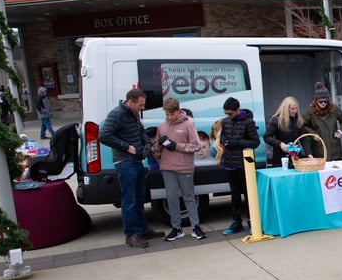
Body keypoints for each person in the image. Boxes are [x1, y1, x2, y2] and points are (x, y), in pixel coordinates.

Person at [98, 88, 162, 248]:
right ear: (130, 101)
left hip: (137, 161)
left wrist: (147, 144)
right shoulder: (117, 114)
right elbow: (104, 136)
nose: (142, 108)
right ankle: (131, 234)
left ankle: (142, 229)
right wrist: (127, 147)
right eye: (140, 104)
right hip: (126, 162)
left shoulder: (133, 113)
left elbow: (140, 131)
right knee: (130, 200)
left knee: (139, 197)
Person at [152, 97, 206, 241]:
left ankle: (196, 226)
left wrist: (176, 146)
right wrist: (159, 145)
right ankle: (176, 228)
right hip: (167, 167)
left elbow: (196, 146)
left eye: (171, 114)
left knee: (189, 197)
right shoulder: (162, 126)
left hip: (184, 167)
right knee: (172, 198)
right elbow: (156, 150)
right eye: (166, 114)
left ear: (178, 111)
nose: (169, 117)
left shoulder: (188, 124)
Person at [218, 96, 260, 235]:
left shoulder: (249, 122)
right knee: (234, 194)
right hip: (230, 162)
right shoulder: (225, 122)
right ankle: (236, 221)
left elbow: (255, 142)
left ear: (238, 110)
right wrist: (225, 141)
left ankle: (251, 221)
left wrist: (238, 143)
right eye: (226, 114)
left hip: (244, 164)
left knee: (248, 194)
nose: (228, 116)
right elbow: (222, 136)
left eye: (230, 113)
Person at [303, 83, 342, 161]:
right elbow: (303, 125)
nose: (323, 103)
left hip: (334, 148)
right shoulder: (310, 111)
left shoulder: (334, 108)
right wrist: (313, 134)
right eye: (321, 101)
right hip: (319, 149)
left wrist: (341, 131)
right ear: (316, 101)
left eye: (325, 101)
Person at [264, 96, 312, 167]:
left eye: (296, 108)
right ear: (286, 109)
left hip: (295, 157)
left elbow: (303, 138)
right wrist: (280, 144)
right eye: (292, 109)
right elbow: (267, 137)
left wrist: (309, 154)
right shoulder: (277, 120)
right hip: (280, 158)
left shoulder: (299, 120)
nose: (295, 111)